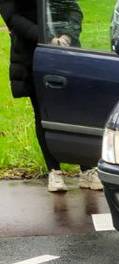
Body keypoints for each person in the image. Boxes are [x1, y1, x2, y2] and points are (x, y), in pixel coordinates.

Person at [1, 0, 100, 193]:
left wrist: (68, 35)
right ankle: (54, 171)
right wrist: (45, 38)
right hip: (32, 54)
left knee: (76, 112)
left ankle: (86, 169)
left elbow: (73, 10)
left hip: (67, 52)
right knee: (43, 113)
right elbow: (13, 18)